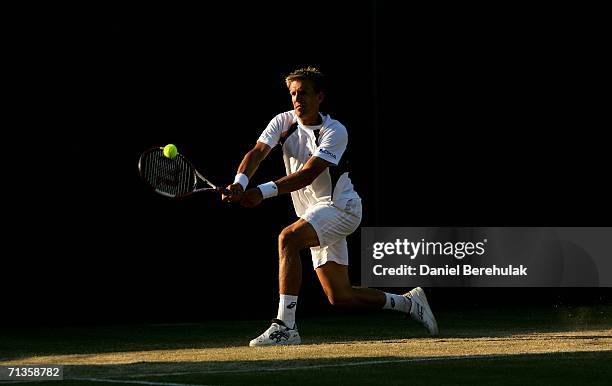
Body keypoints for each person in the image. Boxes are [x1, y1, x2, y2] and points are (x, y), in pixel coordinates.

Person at [223, 66, 438, 346]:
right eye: (293, 94)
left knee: (288, 239)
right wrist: (240, 182)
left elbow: (309, 173)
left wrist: (262, 192)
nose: (297, 99)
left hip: (341, 208)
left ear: (320, 97)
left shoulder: (335, 130)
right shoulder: (283, 122)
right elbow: (257, 153)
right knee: (340, 295)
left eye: (303, 93)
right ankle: (410, 303)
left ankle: (285, 327)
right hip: (315, 213)